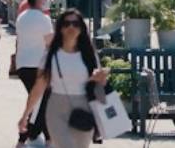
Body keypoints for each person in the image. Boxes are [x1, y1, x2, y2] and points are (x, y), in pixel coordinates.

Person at [19, 9, 109, 148]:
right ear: (60, 28)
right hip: (57, 106)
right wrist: (26, 115)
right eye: (66, 24)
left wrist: (101, 78)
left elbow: (98, 82)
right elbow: (39, 86)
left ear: (81, 28)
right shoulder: (51, 54)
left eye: (75, 24)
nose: (71, 27)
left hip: (83, 106)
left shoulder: (88, 53)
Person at [15, 0, 54, 143]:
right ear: (39, 0)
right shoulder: (43, 19)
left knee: (37, 101)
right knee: (41, 101)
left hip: (23, 63)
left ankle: (34, 136)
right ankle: (27, 137)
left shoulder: (22, 17)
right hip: (39, 64)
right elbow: (50, 42)